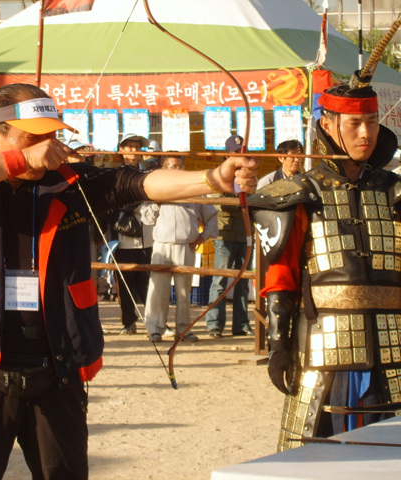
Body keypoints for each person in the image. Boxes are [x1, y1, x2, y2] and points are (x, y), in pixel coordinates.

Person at [0, 83, 258, 479]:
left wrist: (213, 178)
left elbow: (136, 183)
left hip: (57, 363)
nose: (47, 146)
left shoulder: (70, 181)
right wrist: (20, 160)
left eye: (52, 135)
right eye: (33, 136)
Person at [249, 81, 401, 451]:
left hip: (393, 342)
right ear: (328, 125)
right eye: (354, 123)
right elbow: (281, 275)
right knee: (322, 450)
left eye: (371, 121)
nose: (365, 133)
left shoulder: (395, 191)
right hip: (324, 344)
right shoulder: (301, 193)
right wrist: (278, 343)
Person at [143, 154, 218, 343]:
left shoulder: (193, 190)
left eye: (179, 166)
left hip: (186, 245)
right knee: (158, 290)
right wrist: (156, 202)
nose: (175, 170)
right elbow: (146, 218)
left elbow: (211, 215)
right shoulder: (155, 189)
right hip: (162, 245)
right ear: (163, 169)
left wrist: (203, 236)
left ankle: (184, 330)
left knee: (184, 292)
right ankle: (155, 329)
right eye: (171, 166)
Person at [205, 135, 254, 338]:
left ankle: (241, 324)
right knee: (220, 280)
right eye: (235, 152)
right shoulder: (219, 175)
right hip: (224, 235)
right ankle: (214, 324)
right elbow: (219, 204)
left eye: (242, 152)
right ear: (227, 155)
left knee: (243, 281)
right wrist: (241, 206)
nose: (240, 156)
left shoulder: (250, 176)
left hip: (246, 234)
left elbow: (255, 201)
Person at [113, 132, 154, 335]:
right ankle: (128, 322)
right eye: (129, 146)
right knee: (125, 282)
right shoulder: (113, 175)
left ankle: (153, 322)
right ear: (121, 150)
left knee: (147, 282)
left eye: (137, 147)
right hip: (122, 238)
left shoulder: (148, 174)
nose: (134, 150)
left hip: (148, 236)